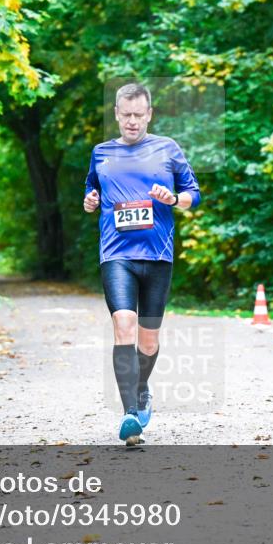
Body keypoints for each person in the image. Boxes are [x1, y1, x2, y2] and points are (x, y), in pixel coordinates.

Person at [83, 82, 202, 444]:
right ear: (116, 114)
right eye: (126, 115)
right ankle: (130, 414)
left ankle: (143, 387)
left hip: (158, 255)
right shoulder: (101, 152)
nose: (132, 121)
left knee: (148, 342)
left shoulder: (168, 149)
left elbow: (192, 194)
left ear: (149, 114)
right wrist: (89, 201)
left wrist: (174, 198)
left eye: (139, 115)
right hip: (116, 254)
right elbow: (92, 189)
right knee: (124, 322)